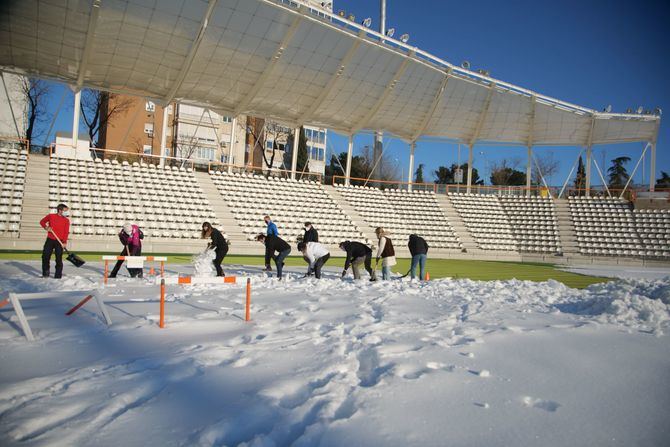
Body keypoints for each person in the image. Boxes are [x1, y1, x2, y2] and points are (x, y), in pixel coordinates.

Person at [39, 203, 70, 279]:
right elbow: (42, 222)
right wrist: (46, 227)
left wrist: (65, 242)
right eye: (65, 210)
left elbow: (66, 232)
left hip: (60, 241)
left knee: (58, 258)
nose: (67, 212)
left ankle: (58, 276)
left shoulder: (66, 220)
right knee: (45, 256)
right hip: (50, 239)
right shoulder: (51, 216)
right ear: (60, 210)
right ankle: (45, 273)